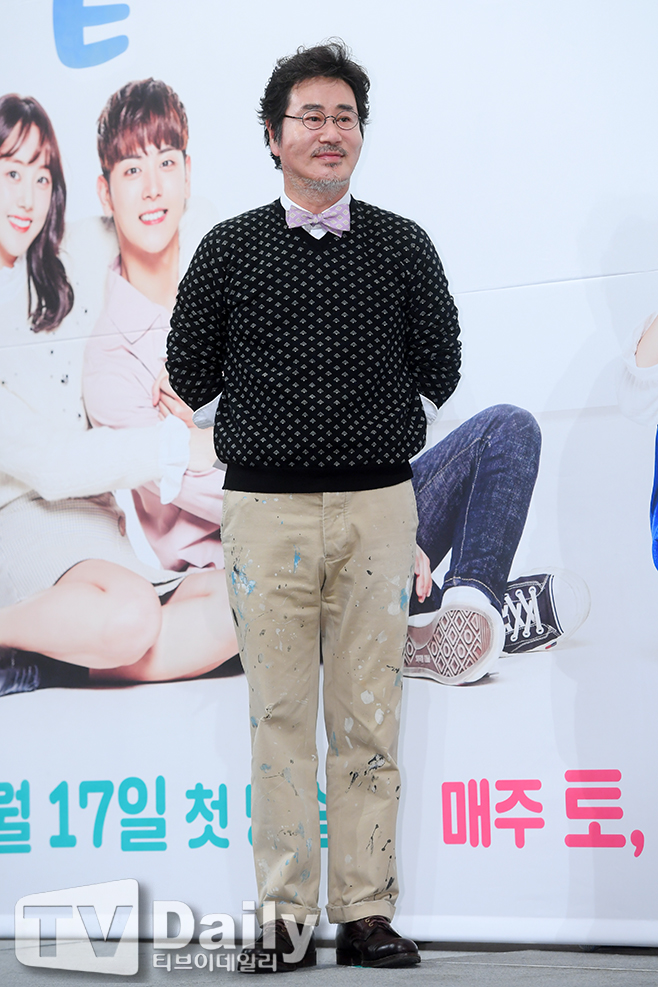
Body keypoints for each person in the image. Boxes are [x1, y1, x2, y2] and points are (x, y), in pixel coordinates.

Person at [166, 41, 460, 971]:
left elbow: (443, 366)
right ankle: (285, 918)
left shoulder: (403, 244)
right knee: (280, 720)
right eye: (311, 117)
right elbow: (187, 371)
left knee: (371, 717)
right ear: (272, 135)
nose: (330, 132)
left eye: (345, 117)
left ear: (360, 134)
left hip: (379, 508)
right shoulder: (229, 248)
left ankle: (366, 913)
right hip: (265, 513)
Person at [0, 92, 235, 696]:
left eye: (41, 176)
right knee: (132, 617)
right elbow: (49, 467)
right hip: (16, 513)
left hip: (94, 517)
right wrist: (180, 446)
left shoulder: (60, 255)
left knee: (246, 601)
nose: (27, 199)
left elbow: (178, 213)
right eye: (10, 173)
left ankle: (51, 661)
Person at [83, 78, 226, 575]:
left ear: (187, 173)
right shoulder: (109, 367)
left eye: (166, 162)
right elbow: (220, 497)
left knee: (462, 439)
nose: (152, 188)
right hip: (236, 565)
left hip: (339, 491)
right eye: (131, 169)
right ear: (105, 192)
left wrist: (213, 429)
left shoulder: (231, 278)